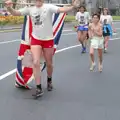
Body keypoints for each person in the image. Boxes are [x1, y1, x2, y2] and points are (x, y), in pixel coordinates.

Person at [5, 0, 79, 97]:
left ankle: (49, 79)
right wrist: (9, 7)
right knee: (35, 62)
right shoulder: (30, 9)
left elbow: (62, 9)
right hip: (36, 39)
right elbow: (15, 13)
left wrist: (73, 6)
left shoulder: (48, 7)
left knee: (49, 63)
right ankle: (39, 88)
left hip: (48, 40)